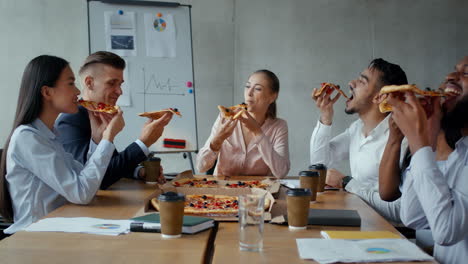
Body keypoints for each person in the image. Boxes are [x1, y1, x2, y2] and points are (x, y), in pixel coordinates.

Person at [0, 55, 124, 234]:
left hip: (59, 227)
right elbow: (81, 193)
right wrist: (108, 138)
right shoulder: (27, 138)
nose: (78, 92)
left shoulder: (49, 134)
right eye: (71, 83)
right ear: (47, 92)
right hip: (34, 237)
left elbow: (85, 178)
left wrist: (97, 139)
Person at [388, 56, 468, 264]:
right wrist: (428, 138)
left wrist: (418, 141)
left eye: (466, 73)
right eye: (454, 70)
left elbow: (445, 232)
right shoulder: (460, 151)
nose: (450, 76)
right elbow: (413, 217)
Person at [310, 58, 407, 223]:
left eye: (362, 81)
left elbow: (400, 211)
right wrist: (326, 116)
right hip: (356, 222)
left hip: (387, 235)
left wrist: (347, 183)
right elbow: (319, 165)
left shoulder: (402, 139)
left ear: (380, 97)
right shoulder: (357, 128)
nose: (351, 83)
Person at [56, 51, 172, 189]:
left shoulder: (100, 114)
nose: (119, 91)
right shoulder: (71, 120)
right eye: (111, 83)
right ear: (89, 83)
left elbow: (109, 163)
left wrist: (139, 171)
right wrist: (143, 142)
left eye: (120, 84)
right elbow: (97, 179)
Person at [197, 69, 290, 178]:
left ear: (272, 97)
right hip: (222, 191)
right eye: (247, 86)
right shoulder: (225, 118)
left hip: (259, 192)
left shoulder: (279, 126)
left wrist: (257, 132)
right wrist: (217, 140)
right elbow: (201, 166)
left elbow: (281, 172)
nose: (249, 93)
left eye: (257, 89)